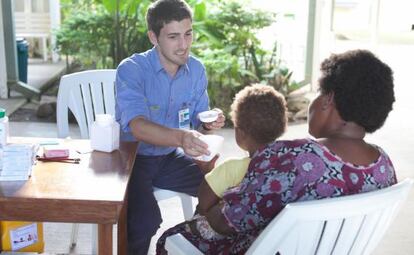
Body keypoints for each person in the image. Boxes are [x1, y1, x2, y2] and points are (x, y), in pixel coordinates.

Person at [156, 49, 397, 254]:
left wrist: (208, 204)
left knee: (172, 237)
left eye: (318, 94)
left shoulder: (292, 158)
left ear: (328, 99)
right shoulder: (384, 166)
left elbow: (224, 222)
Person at [115, 0, 225, 254]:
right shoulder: (131, 70)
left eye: (188, 34)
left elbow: (198, 122)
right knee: (144, 221)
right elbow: (138, 127)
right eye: (174, 37)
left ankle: (197, 239)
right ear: (154, 37)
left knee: (222, 191)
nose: (184, 45)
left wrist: (209, 123)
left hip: (169, 157)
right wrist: (182, 137)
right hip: (132, 159)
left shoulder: (196, 69)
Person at [195, 84, 287, 222]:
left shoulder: (230, 169)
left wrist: (207, 172)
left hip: (234, 238)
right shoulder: (287, 163)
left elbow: (203, 207)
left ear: (240, 132)